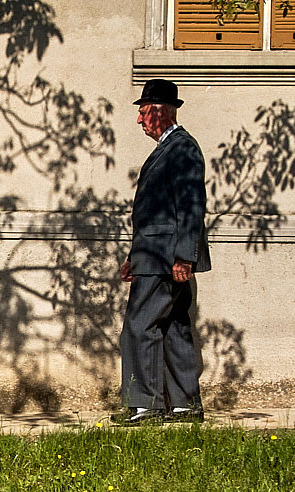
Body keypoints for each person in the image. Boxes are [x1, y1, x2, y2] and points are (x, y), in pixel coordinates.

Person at [114, 79, 211, 426]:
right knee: (173, 326)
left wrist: (185, 255)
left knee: (139, 327)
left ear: (158, 111)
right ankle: (184, 406)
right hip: (154, 255)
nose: (139, 121)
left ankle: (145, 405)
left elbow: (191, 205)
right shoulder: (170, 149)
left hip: (166, 257)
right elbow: (156, 213)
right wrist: (133, 257)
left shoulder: (182, 148)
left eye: (142, 113)